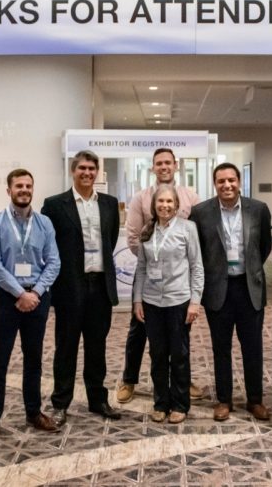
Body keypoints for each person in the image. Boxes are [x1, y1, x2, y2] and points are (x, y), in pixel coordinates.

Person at [0, 168, 61, 443]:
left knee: (33, 359)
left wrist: (34, 292)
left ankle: (33, 413)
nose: (24, 190)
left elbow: (54, 262)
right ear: (9, 190)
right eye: (19, 186)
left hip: (37, 298)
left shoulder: (45, 224)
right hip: (6, 299)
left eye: (28, 186)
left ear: (32, 190)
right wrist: (19, 294)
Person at [41, 150, 121, 426]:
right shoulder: (54, 205)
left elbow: (109, 241)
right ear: (72, 171)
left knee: (97, 348)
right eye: (82, 168)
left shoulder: (110, 204)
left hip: (100, 286)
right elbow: (47, 246)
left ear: (97, 172)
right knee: (66, 347)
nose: (87, 173)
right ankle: (60, 403)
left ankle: (97, 400)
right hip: (69, 288)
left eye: (92, 168)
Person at [117, 148, 203, 404]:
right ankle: (129, 379)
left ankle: (182, 381)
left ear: (175, 165)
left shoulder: (191, 197)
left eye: (168, 162)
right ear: (153, 167)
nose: (164, 166)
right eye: (159, 163)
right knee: (138, 330)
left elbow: (195, 235)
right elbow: (134, 237)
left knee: (179, 335)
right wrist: (154, 256)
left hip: (179, 280)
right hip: (148, 275)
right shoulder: (140, 198)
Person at [189, 162, 272, 421]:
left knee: (253, 347)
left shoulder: (258, 209)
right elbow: (197, 250)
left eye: (231, 180)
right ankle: (224, 400)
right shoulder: (201, 212)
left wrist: (252, 269)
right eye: (221, 181)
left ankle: (255, 400)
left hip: (249, 289)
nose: (227, 185)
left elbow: (264, 246)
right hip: (218, 290)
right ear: (215, 184)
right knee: (221, 348)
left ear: (239, 182)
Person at [133, 184, 204, 424]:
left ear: (177, 205)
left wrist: (195, 301)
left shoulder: (188, 228)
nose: (164, 205)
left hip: (179, 301)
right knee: (158, 354)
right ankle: (160, 402)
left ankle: (180, 404)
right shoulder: (147, 230)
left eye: (169, 201)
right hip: (152, 302)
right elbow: (141, 268)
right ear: (154, 205)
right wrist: (137, 299)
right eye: (160, 201)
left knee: (179, 354)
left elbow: (196, 267)